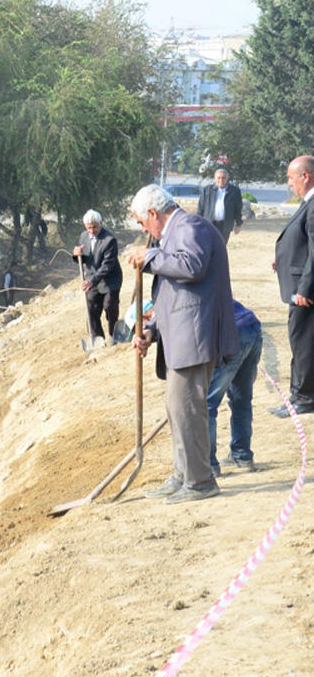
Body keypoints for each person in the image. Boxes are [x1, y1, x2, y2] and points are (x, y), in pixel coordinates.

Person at [126, 184, 237, 504]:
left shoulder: (191, 227)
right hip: (180, 337)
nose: (143, 230)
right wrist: (151, 332)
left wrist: (150, 257)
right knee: (178, 410)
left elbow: (191, 267)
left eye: (141, 222)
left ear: (152, 213)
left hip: (195, 338)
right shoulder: (170, 236)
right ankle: (182, 475)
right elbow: (178, 296)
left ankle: (201, 482)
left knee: (188, 409)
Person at [270, 155, 314, 416]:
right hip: (298, 284)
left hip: (304, 292)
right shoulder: (307, 203)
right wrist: (283, 260)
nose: (289, 183)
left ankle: (304, 398)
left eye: (291, 177)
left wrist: (305, 289)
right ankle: (299, 395)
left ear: (305, 176)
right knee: (300, 342)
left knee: (303, 344)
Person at [207, 300, 262, 475]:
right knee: (241, 399)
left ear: (146, 315)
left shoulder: (172, 306)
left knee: (206, 405)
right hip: (252, 328)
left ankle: (208, 465)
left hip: (232, 335)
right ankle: (242, 455)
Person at [72, 209, 123, 342]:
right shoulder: (83, 236)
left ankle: (114, 335)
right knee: (92, 308)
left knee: (109, 306)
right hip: (92, 279)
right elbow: (83, 258)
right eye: (89, 228)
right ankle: (97, 339)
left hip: (110, 280)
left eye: (95, 227)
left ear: (101, 223)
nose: (92, 230)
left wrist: (92, 281)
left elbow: (107, 266)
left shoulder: (110, 240)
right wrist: (77, 254)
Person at [197, 167, 244, 243]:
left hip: (225, 226)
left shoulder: (234, 191)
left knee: (221, 248)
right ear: (215, 178)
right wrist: (198, 223)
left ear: (227, 178)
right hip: (209, 224)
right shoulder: (207, 190)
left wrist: (238, 224)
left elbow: (238, 209)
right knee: (208, 246)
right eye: (219, 178)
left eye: (223, 178)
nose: (221, 180)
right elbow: (200, 208)